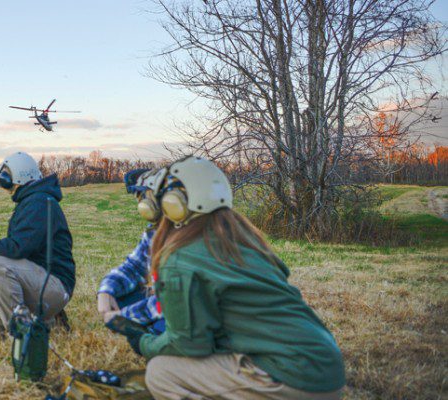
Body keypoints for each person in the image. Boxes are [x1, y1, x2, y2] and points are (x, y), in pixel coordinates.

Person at [118, 157, 346, 400]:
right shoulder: (246, 244)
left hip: (293, 382)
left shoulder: (180, 258)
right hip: (329, 375)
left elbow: (189, 345)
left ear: (174, 204)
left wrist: (143, 341)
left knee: (161, 372)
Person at [0, 151, 76, 340]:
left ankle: (24, 336)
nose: (4, 184)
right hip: (34, 283)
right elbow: (20, 255)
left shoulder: (39, 202)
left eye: (6, 178)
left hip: (54, 286)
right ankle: (48, 321)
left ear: (19, 176)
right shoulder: (30, 202)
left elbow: (18, 247)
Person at [97, 168, 165, 334]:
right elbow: (133, 267)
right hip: (167, 304)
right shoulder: (155, 232)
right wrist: (106, 291)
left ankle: (157, 335)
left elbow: (175, 302)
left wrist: (124, 316)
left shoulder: (187, 234)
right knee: (117, 295)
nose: (140, 203)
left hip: (182, 314)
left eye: (144, 197)